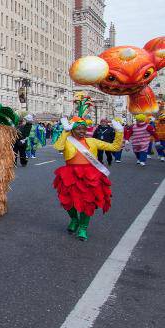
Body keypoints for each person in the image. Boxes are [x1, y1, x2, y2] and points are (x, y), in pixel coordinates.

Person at [53, 100, 124, 241]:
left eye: (83, 129)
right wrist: (65, 131)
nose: (81, 131)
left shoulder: (92, 141)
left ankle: (83, 228)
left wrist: (119, 132)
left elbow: (115, 147)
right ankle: (74, 219)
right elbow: (58, 147)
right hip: (70, 174)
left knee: (88, 202)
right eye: (78, 129)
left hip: (89, 175)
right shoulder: (67, 141)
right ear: (73, 129)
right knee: (68, 201)